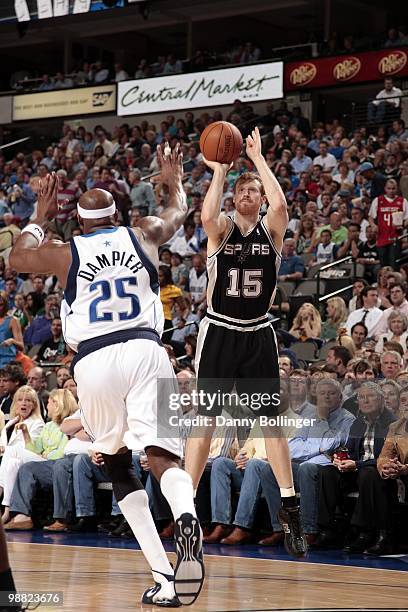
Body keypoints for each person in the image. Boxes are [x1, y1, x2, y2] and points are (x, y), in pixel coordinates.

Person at [9, 150, 204, 606]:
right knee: (161, 455)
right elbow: (179, 211)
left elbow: (17, 257)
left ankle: (163, 575)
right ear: (117, 215)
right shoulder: (144, 234)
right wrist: (174, 180)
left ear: (80, 223)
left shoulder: (67, 252)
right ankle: (187, 517)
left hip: (95, 360)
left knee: (115, 463)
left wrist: (40, 214)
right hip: (145, 348)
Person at [184, 127, 308, 557]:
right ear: (235, 199)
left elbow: (282, 205)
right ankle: (186, 512)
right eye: (244, 191)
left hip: (258, 333)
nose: (249, 195)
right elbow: (204, 217)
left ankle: (290, 507)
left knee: (271, 424)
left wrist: (257, 161)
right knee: (206, 419)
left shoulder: (271, 232)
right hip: (219, 330)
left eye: (253, 191)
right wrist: (220, 171)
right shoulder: (221, 229)